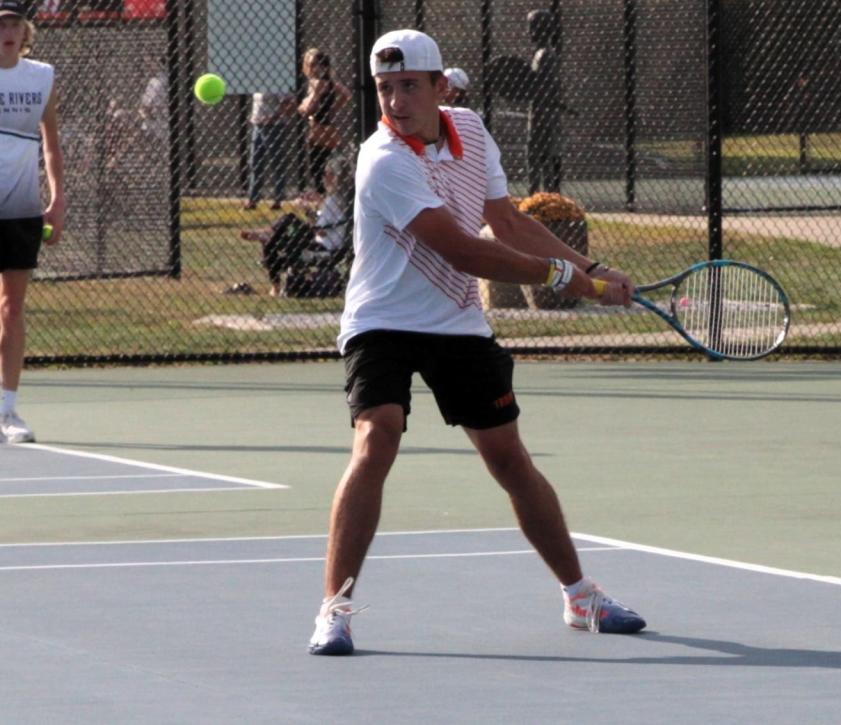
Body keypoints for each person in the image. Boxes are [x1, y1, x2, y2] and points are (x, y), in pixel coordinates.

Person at [308, 29, 645, 656]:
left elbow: (509, 220)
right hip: (381, 320)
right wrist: (561, 279)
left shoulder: (471, 131)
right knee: (377, 435)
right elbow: (461, 247)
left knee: (508, 458)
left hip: (456, 323)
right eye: (385, 89)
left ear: (440, 87)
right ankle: (336, 609)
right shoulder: (382, 158)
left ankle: (580, 595)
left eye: (409, 86)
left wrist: (592, 272)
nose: (396, 100)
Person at [0, 0, 65, 444]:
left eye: (15, 24)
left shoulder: (41, 77)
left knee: (12, 308)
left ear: (26, 33)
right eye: (1, 24)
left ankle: (7, 411)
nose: (8, 30)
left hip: (22, 210)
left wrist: (57, 200)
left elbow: (51, 146)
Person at [239, 152, 353, 297]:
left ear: (335, 177)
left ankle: (276, 285)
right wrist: (313, 208)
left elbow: (320, 231)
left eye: (327, 173)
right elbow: (324, 224)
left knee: (287, 222)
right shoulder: (337, 199)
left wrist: (308, 209)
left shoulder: (334, 200)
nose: (323, 177)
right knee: (275, 238)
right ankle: (268, 234)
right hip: (322, 242)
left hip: (326, 247)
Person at [298, 49, 349, 194]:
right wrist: (333, 110)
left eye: (315, 64)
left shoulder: (318, 83)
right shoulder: (329, 82)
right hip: (327, 127)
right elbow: (346, 94)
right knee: (325, 166)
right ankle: (328, 196)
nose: (312, 68)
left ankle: (324, 198)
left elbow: (309, 107)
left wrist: (303, 106)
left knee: (317, 168)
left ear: (324, 66)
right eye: (309, 64)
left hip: (319, 128)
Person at [526, 9, 563, 194]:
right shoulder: (542, 54)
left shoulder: (544, 55)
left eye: (532, 27)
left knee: (541, 159)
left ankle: (543, 200)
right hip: (543, 114)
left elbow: (545, 90)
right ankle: (540, 198)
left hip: (543, 116)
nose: (529, 32)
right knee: (540, 158)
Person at [242, 91, 297, 211]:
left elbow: (291, 102)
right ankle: (253, 199)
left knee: (276, 162)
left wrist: (273, 117)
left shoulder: (278, 84)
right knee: (255, 163)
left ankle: (278, 199)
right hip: (258, 125)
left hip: (274, 127)